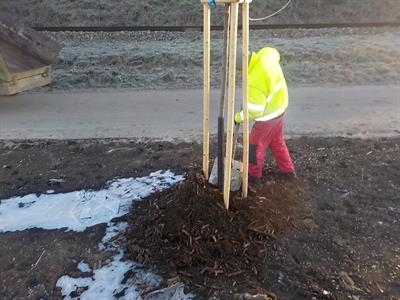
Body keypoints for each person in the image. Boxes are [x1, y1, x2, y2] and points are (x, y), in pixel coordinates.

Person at [234, 47, 295, 185]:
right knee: (277, 141)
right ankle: (288, 171)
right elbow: (274, 52)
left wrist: (238, 117)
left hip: (268, 117)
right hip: (281, 107)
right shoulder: (265, 55)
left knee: (254, 146)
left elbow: (255, 110)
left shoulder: (255, 81)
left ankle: (253, 177)